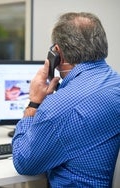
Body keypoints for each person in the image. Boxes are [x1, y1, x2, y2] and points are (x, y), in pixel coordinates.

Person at [12, 12, 120, 187]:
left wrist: (34, 104)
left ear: (57, 53)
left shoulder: (58, 108)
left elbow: (24, 163)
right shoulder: (116, 84)